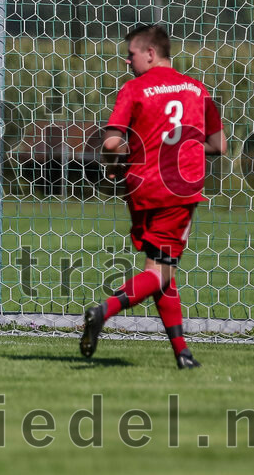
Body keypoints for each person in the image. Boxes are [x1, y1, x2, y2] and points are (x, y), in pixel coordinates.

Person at [80, 24, 226, 368]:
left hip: (141, 186)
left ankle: (183, 353)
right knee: (160, 272)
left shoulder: (134, 89)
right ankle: (104, 310)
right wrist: (187, 145)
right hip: (180, 188)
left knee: (160, 269)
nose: (127, 61)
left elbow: (111, 143)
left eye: (130, 54)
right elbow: (218, 146)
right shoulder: (197, 89)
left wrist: (114, 167)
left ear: (150, 53)